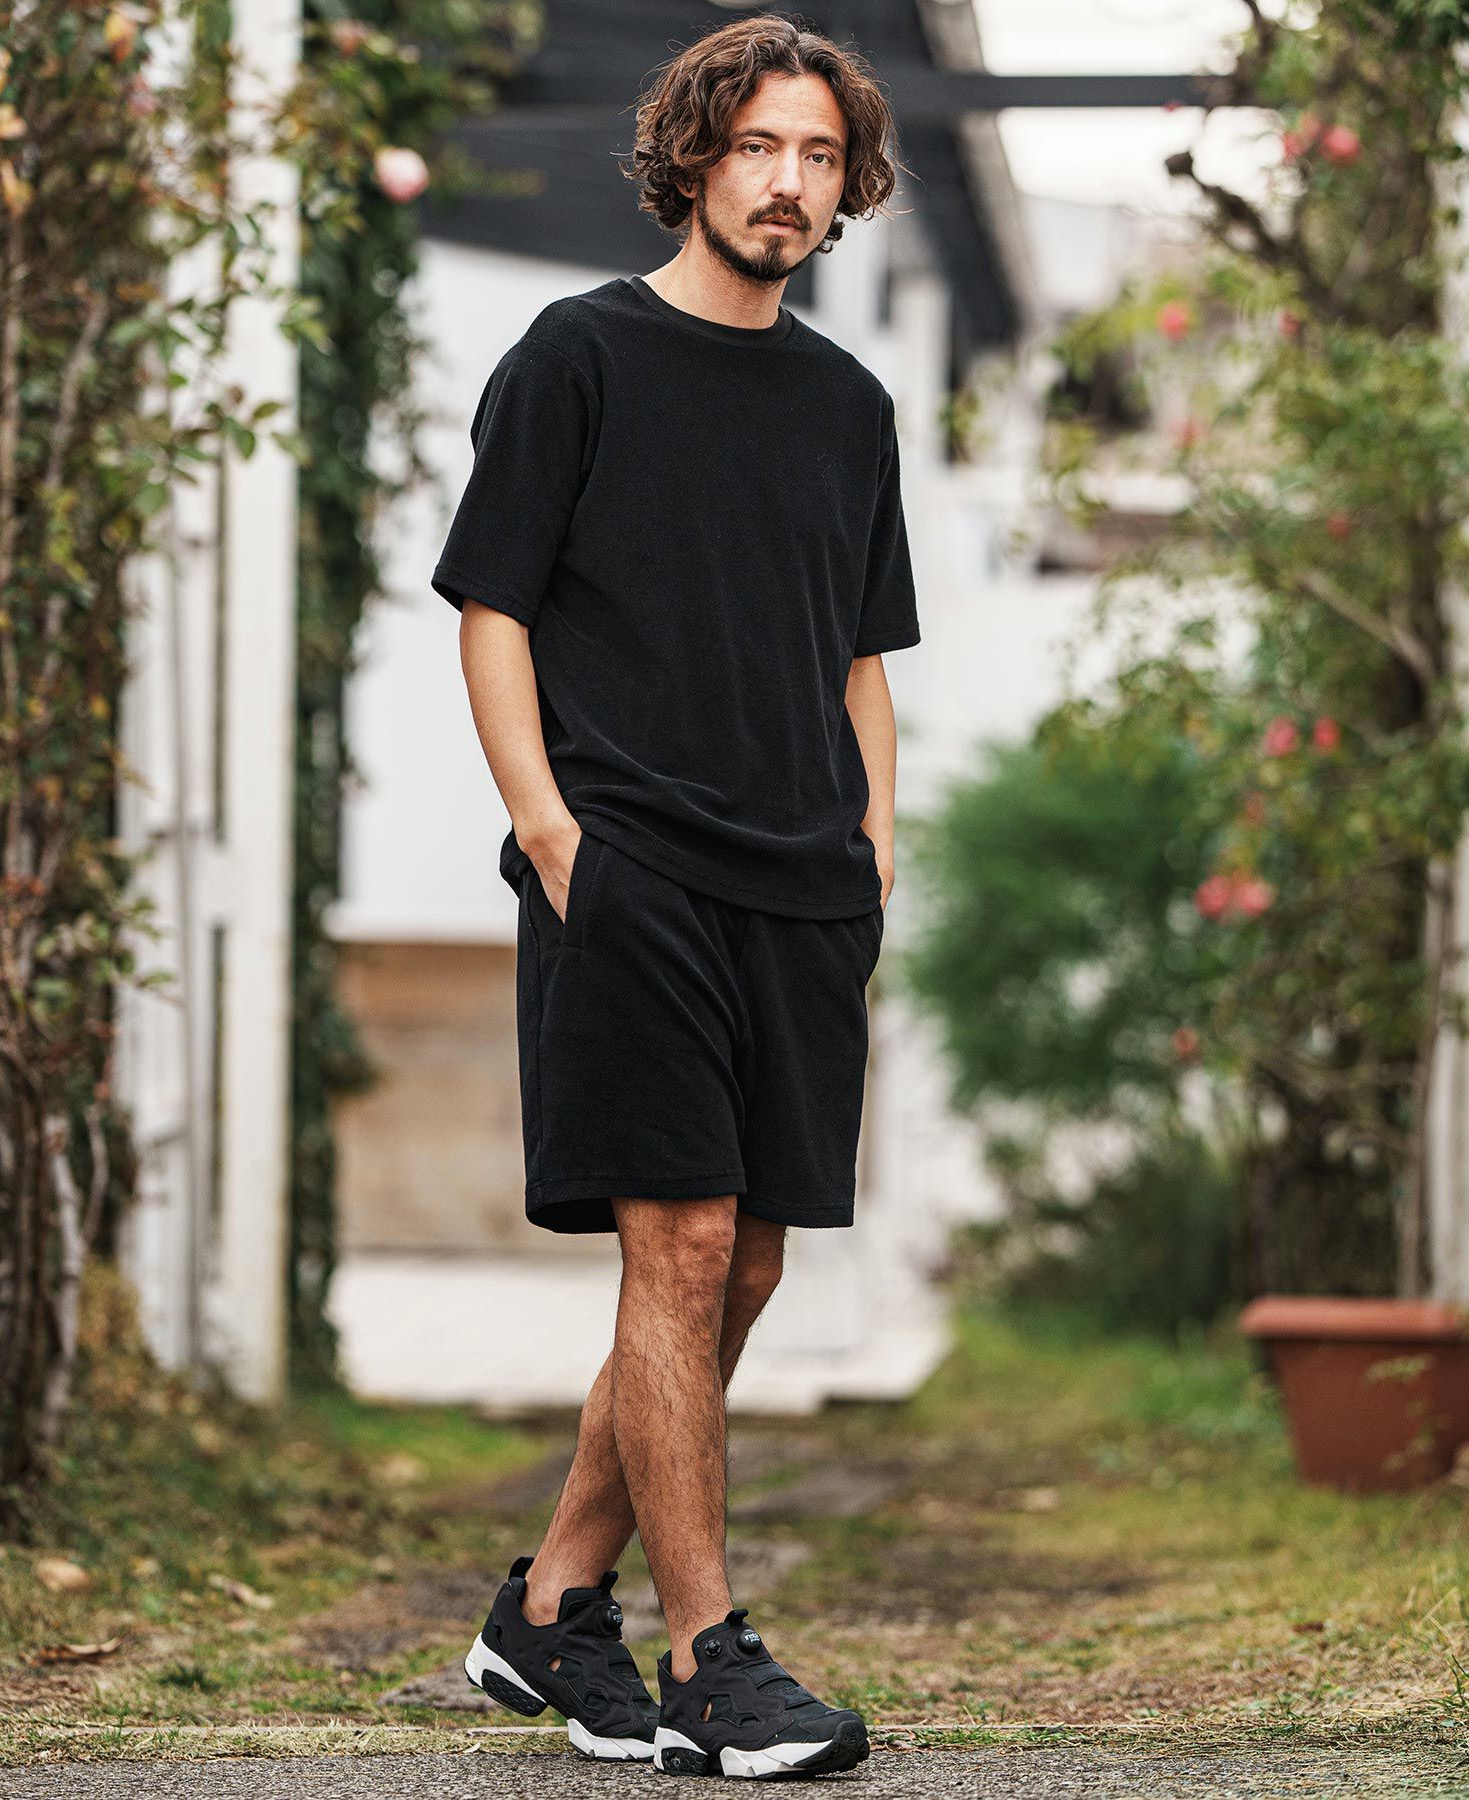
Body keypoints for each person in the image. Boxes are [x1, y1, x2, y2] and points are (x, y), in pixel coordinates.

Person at [433, 12, 919, 1781]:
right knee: (683, 1244)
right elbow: (493, 612)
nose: (788, 183)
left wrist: (875, 843)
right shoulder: (576, 357)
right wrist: (555, 835)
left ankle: (553, 1603)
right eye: (759, 147)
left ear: (845, 187)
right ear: (694, 157)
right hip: (628, 866)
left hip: (802, 888)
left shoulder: (851, 408)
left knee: (746, 1264)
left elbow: (861, 659)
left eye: (819, 157)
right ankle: (712, 1664)